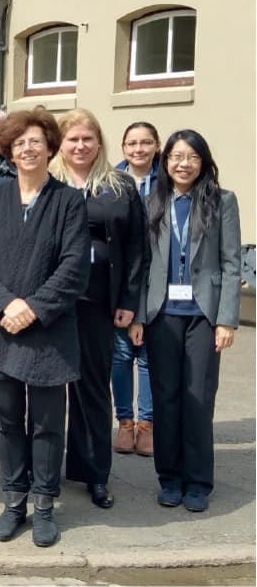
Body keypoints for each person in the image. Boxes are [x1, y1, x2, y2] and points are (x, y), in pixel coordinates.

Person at [0, 107, 90, 547]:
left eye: (36, 141)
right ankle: (13, 500)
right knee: (7, 421)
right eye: (20, 143)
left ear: (50, 148)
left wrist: (33, 308)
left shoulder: (69, 201)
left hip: (47, 333)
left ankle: (43, 504)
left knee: (47, 423)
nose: (28, 148)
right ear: (10, 151)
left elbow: (75, 267)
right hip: (0, 328)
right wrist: (6, 305)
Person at [128, 129, 241, 513]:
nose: (183, 163)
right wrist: (139, 316)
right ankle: (170, 478)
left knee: (197, 399)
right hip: (161, 315)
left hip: (203, 316)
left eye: (192, 157)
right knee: (165, 398)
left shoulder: (222, 201)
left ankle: (197, 481)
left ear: (203, 161)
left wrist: (226, 319)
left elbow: (230, 262)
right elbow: (142, 265)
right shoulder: (152, 202)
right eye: (176, 156)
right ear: (166, 161)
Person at [49, 108, 147, 510]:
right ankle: (46, 472)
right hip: (53, 301)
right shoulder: (46, 182)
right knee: (50, 389)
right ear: (61, 143)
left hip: (99, 302)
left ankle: (95, 474)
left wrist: (129, 302)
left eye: (87, 138)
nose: (80, 145)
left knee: (91, 388)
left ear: (99, 142)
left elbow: (139, 247)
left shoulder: (120, 185)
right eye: (72, 138)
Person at [112, 121, 161, 456]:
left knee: (147, 357)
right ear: (123, 147)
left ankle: (147, 424)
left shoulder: (168, 181)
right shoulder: (113, 180)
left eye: (146, 142)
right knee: (120, 355)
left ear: (157, 145)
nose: (139, 149)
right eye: (132, 143)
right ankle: (125, 422)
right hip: (120, 280)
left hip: (157, 279)